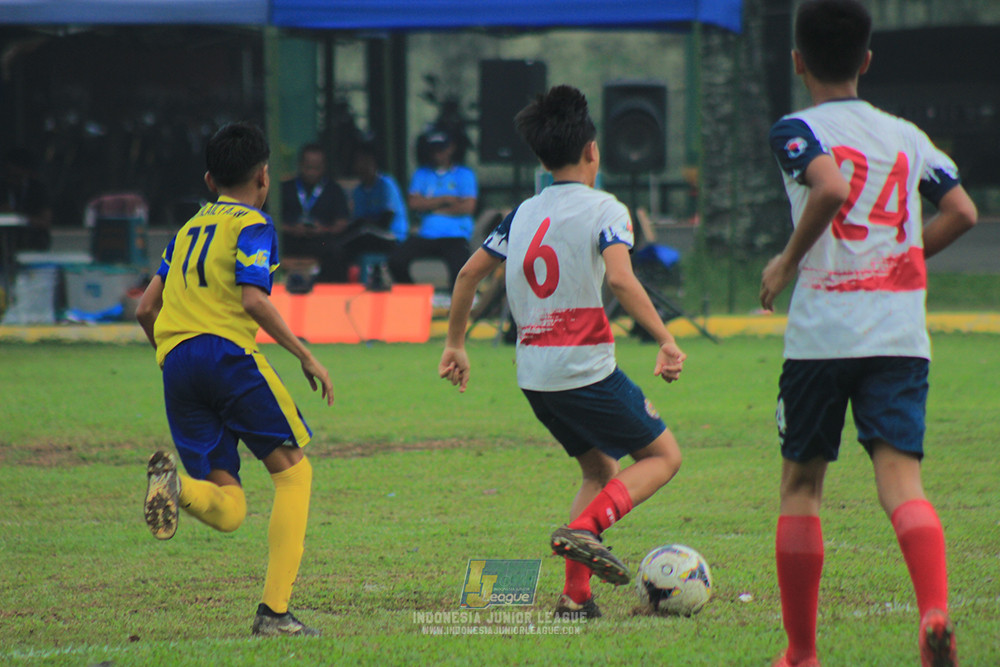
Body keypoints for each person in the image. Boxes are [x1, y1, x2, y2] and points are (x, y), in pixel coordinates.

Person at [759, 2, 978, 666]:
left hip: (824, 335)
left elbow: (826, 189)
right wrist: (905, 253)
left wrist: (787, 261)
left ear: (798, 62)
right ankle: (933, 610)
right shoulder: (906, 135)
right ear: (867, 60)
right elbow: (963, 210)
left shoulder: (797, 128)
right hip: (897, 335)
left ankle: (801, 653)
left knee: (802, 484)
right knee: (902, 483)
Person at [438, 86, 686, 619]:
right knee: (664, 457)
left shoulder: (522, 213)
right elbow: (620, 279)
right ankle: (585, 529)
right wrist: (665, 338)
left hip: (535, 377)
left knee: (598, 471)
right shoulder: (605, 208)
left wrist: (456, 342)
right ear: (593, 150)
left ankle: (576, 599)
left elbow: (467, 276)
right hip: (586, 371)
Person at [136, 122, 334, 638]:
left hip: (176, 362)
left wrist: (172, 354)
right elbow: (253, 298)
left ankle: (178, 489)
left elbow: (145, 307)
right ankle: (274, 613)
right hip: (226, 355)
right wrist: (304, 355)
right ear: (263, 176)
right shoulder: (253, 224)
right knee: (294, 474)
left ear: (209, 178)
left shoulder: (186, 231)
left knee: (229, 508)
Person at [388, 129, 477, 290]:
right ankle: (412, 296)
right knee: (396, 260)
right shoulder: (421, 174)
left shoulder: (464, 174)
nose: (437, 153)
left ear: (451, 148)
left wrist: (431, 207)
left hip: (455, 236)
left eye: (441, 148)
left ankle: (456, 308)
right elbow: (413, 203)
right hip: (426, 235)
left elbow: (468, 207)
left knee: (460, 271)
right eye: (434, 149)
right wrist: (445, 200)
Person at [280, 143, 351, 282]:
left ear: (324, 166)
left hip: (320, 240)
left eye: (316, 167)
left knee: (337, 252)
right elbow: (270, 219)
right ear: (300, 164)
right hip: (291, 238)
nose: (312, 172)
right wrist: (291, 228)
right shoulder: (285, 188)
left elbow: (342, 223)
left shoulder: (334, 190)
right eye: (308, 167)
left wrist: (323, 229)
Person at [342, 139, 408, 282]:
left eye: (364, 160)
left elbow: (386, 220)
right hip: (370, 234)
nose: (361, 165)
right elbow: (359, 220)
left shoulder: (386, 184)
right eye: (358, 161)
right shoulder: (358, 191)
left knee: (353, 239)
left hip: (391, 236)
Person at [0, 147, 53, 251]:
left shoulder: (37, 189)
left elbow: (45, 222)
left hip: (31, 238)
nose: (12, 181)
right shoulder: (2, 187)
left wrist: (20, 217)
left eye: (16, 176)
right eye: (8, 175)